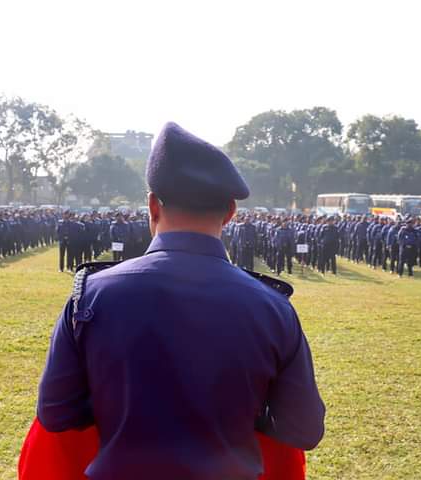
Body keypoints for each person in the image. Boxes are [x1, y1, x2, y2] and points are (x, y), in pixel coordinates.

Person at [37, 122, 324, 480]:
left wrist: (122, 407)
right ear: (231, 212)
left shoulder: (92, 295)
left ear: (153, 206)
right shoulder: (272, 307)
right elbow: (304, 430)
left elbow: (55, 413)